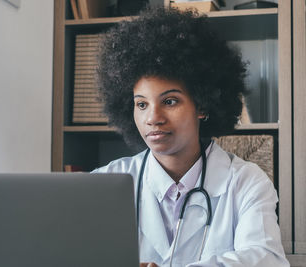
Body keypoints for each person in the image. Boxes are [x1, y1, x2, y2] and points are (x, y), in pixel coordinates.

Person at [92, 7, 289, 267]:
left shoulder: (246, 182)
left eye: (170, 101)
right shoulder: (104, 182)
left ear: (203, 106)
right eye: (141, 104)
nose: (153, 117)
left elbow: (268, 259)